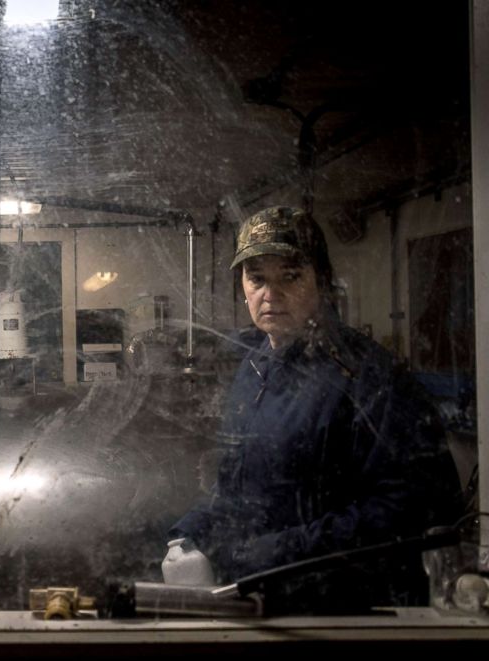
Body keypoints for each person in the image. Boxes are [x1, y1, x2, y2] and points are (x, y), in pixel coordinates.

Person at [165, 206, 462, 614]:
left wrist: (262, 555)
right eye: (257, 279)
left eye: (290, 276)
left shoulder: (369, 377)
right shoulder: (254, 367)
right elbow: (238, 487)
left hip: (346, 612)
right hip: (262, 596)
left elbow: (412, 508)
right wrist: (189, 537)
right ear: (243, 287)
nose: (271, 294)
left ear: (322, 281)